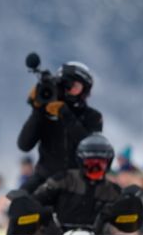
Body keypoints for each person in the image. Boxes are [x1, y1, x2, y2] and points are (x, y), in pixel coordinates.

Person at [17, 61, 103, 193]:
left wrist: (65, 115)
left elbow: (90, 150)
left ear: (84, 90)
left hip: (79, 183)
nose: (70, 89)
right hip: (45, 180)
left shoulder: (93, 117)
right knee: (18, 202)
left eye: (76, 86)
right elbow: (24, 145)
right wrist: (37, 111)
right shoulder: (46, 113)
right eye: (67, 85)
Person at [30, 134, 122, 231]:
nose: (95, 168)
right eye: (90, 163)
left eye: (100, 164)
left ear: (108, 163)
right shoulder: (63, 180)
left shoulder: (113, 192)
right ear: (81, 161)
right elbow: (34, 202)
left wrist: (132, 199)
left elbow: (127, 219)